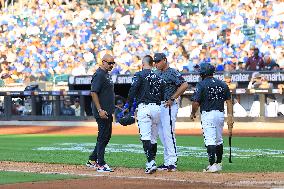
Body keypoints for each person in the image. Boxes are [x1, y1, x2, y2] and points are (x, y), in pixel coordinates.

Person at [190, 63, 234, 173]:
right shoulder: (222, 84)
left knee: (210, 139)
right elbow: (229, 101)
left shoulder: (201, 84)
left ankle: (212, 164)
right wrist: (230, 116)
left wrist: (192, 113)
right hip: (220, 114)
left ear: (203, 72)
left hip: (208, 114)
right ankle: (219, 163)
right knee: (219, 139)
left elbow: (195, 102)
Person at [127, 55, 165, 174]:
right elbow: (163, 93)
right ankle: (152, 160)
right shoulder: (158, 76)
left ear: (143, 64)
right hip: (157, 108)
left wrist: (128, 105)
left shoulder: (139, 74)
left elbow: (133, 90)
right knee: (153, 138)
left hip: (144, 107)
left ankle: (150, 162)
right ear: (153, 64)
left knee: (145, 137)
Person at [153, 53, 189, 172]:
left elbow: (184, 84)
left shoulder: (172, 72)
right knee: (162, 134)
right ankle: (167, 161)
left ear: (164, 60)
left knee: (168, 133)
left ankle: (172, 161)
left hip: (169, 105)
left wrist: (173, 98)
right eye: (155, 62)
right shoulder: (157, 72)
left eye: (158, 61)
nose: (156, 63)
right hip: (160, 105)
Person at [86, 54, 116, 173]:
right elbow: (94, 92)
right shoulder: (99, 74)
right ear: (103, 62)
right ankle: (100, 163)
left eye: (113, 63)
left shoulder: (106, 75)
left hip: (107, 111)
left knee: (106, 136)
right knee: (103, 136)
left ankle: (93, 160)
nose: (112, 65)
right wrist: (100, 110)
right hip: (102, 111)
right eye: (109, 63)